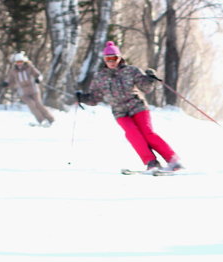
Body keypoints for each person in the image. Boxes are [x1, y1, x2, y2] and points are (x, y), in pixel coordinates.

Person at [75, 41, 184, 172]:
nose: (111, 61)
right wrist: (83, 98)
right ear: (104, 60)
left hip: (137, 106)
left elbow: (146, 88)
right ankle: (151, 162)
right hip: (120, 111)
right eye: (108, 59)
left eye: (114, 58)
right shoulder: (100, 77)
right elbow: (94, 98)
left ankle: (173, 160)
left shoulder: (131, 71)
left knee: (147, 133)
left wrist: (150, 79)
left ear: (119, 57)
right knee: (132, 134)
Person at [1, 52, 55, 126]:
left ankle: (50, 119)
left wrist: (38, 79)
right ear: (15, 63)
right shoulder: (13, 71)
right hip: (23, 92)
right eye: (17, 62)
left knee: (38, 104)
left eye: (21, 62)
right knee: (31, 105)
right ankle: (41, 120)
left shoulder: (29, 68)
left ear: (24, 62)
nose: (19, 64)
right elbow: (10, 80)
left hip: (33, 90)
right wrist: (6, 83)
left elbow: (38, 75)